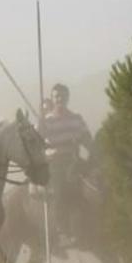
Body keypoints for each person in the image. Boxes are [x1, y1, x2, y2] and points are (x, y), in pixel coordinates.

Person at [39, 83, 97, 243]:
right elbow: (37, 147)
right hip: (56, 163)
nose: (59, 99)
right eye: (56, 96)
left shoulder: (76, 118)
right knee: (60, 192)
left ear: (67, 98)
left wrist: (93, 154)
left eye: (62, 96)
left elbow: (87, 140)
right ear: (52, 98)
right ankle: (62, 231)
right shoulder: (46, 121)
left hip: (74, 161)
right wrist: (48, 151)